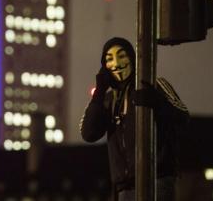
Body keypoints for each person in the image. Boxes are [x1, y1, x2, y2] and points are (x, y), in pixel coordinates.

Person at [79, 37, 189, 201]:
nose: (116, 63)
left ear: (132, 58)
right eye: (109, 59)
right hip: (124, 187)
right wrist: (100, 92)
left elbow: (183, 116)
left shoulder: (155, 84)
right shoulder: (107, 100)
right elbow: (88, 133)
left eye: (122, 56)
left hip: (157, 181)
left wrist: (157, 102)